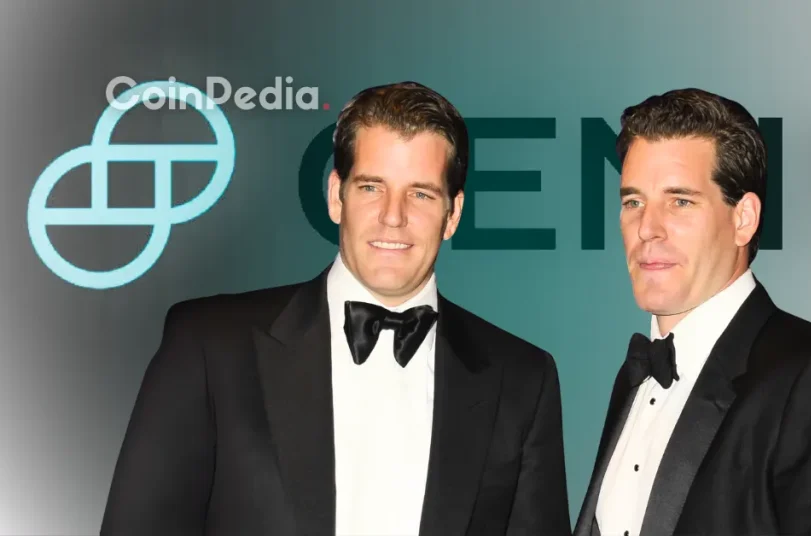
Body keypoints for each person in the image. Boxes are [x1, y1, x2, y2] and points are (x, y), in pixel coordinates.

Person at [101, 81, 571, 536]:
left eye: (420, 194)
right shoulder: (209, 346)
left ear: (453, 215)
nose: (393, 216)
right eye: (371, 188)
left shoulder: (522, 380)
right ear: (335, 196)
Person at [574, 88, 811, 536]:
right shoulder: (634, 378)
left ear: (743, 218)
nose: (647, 228)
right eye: (633, 202)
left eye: (680, 201)